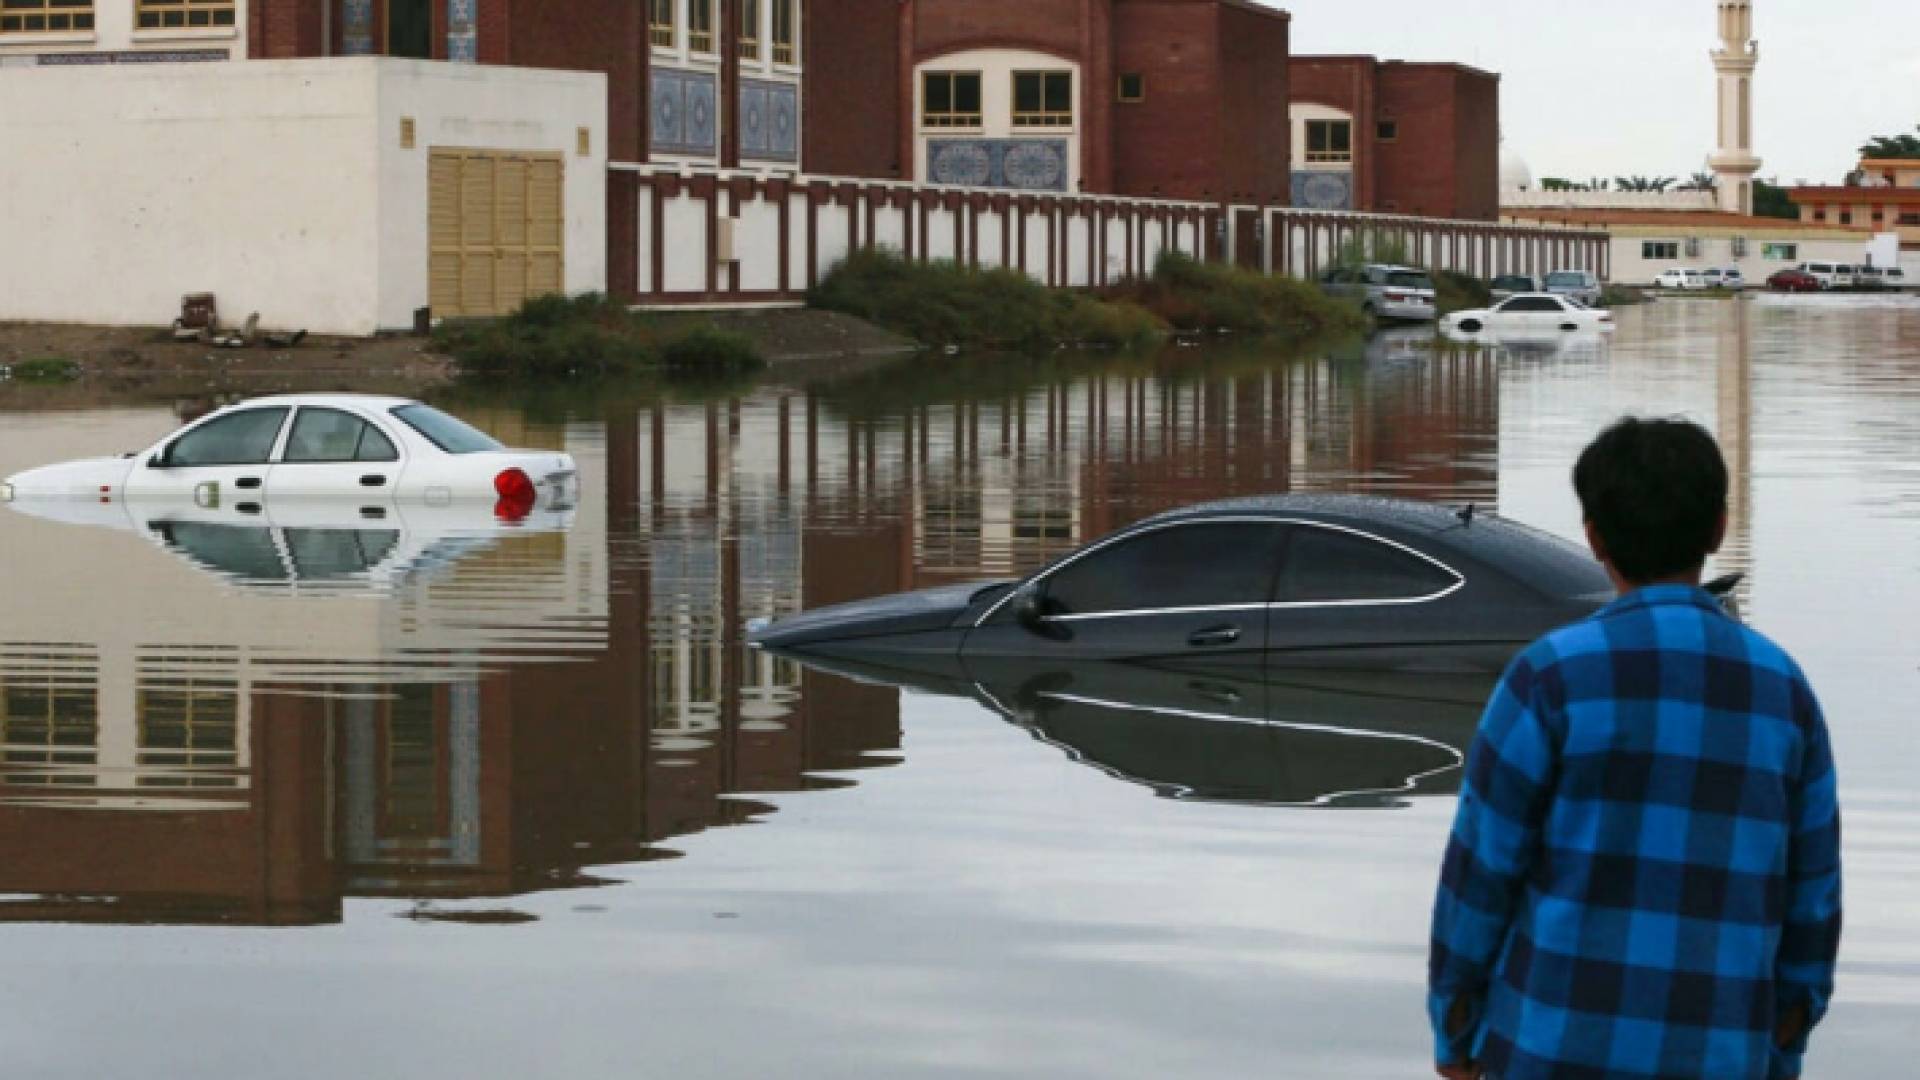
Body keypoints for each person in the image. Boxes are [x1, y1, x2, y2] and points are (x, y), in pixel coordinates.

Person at [1426, 417, 1842, 1080]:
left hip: (1548, 1051)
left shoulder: (1548, 679)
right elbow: (1812, 900)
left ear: (1594, 539)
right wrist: (1782, 1042)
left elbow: (1479, 879)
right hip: (1721, 1054)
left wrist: (1456, 1036)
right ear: (1718, 528)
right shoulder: (1784, 692)